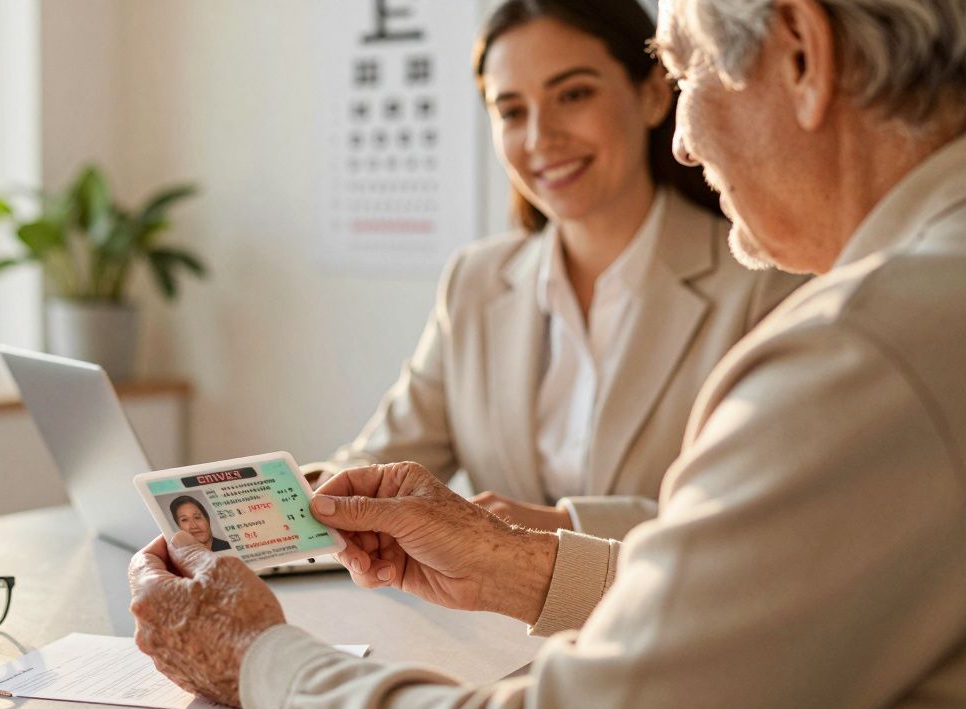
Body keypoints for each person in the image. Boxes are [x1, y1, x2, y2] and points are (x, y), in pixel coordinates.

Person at [129, 0, 966, 709]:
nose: (682, 141)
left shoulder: (857, 346)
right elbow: (770, 595)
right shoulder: (918, 300)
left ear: (800, 53)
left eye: (692, 67)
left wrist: (258, 660)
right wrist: (511, 559)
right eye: (510, 108)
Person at [304, 0, 803, 540]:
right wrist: (278, 501)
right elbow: (379, 463)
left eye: (573, 94)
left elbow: (776, 509)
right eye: (512, 111)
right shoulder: (474, 281)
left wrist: (562, 529)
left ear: (655, 94)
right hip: (494, 626)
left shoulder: (763, 281)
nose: (541, 137)